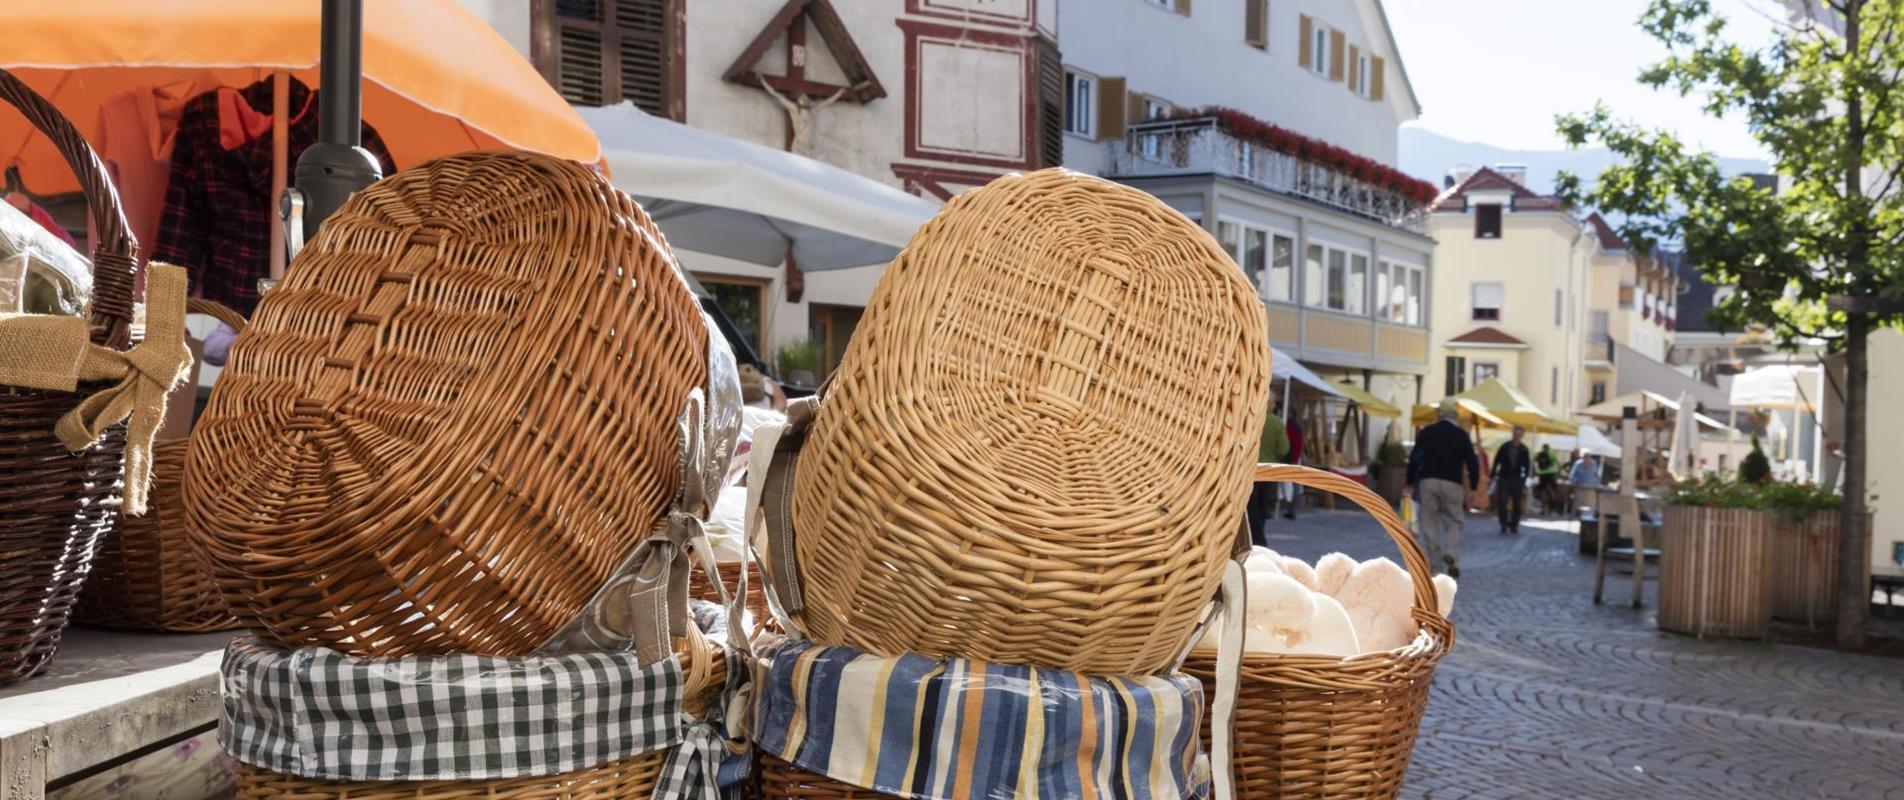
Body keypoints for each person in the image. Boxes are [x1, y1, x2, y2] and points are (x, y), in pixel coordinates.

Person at [1406, 400, 1481, 577]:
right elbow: (1472, 462)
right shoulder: (1462, 435)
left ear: (1439, 415)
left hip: (1428, 481)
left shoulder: (1426, 432)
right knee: (1454, 520)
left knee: (1429, 522)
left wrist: (1409, 482)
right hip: (1453, 484)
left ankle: (1436, 566)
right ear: (1455, 416)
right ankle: (1451, 553)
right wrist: (1474, 486)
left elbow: (1415, 458)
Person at [1250, 395, 1292, 546]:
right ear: (1272, 404)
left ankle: (1254, 538)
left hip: (1251, 470)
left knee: (1251, 507)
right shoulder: (1276, 422)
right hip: (1270, 470)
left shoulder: (1251, 418)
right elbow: (1284, 448)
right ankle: (1259, 540)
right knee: (1263, 507)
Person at [1492, 426, 1532, 534]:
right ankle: (1503, 524)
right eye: (1515, 434)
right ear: (1513, 434)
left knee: (1517, 503)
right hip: (1504, 477)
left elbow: (1527, 466)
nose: (1517, 436)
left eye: (1519, 435)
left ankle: (1514, 525)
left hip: (1517, 479)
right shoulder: (1505, 446)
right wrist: (1493, 475)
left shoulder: (1524, 449)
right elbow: (1497, 461)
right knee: (1502, 501)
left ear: (1522, 436)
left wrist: (1524, 479)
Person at [1281, 417, 1306, 519]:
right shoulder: (1298, 429)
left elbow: (1288, 445)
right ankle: (1292, 509)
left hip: (1291, 459)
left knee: (1291, 485)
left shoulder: (1290, 429)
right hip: (1296, 459)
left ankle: (1291, 509)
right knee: (1295, 486)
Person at [1534, 443, 1561, 514]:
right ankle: (1552, 508)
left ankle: (1543, 509)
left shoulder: (1538, 454)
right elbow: (1557, 463)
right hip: (1551, 474)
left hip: (1542, 474)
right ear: (1549, 448)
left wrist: (1536, 471)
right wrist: (1558, 474)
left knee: (1543, 492)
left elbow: (1535, 461)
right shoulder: (1552, 454)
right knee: (1552, 491)